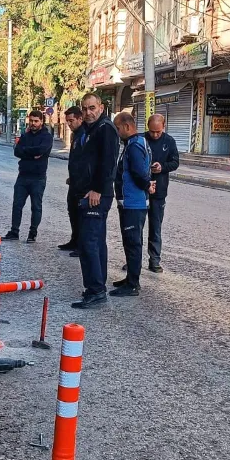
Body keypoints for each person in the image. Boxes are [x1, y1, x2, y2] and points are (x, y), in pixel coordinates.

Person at [72, 93, 120, 309]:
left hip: (96, 195)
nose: (88, 112)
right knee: (96, 241)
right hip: (87, 192)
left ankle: (96, 291)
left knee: (89, 242)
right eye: (85, 108)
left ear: (101, 107)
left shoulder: (105, 129)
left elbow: (108, 163)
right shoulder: (91, 130)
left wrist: (97, 190)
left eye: (92, 108)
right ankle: (97, 287)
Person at [110, 113, 152, 298]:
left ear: (127, 126)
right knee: (129, 242)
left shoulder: (134, 146)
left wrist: (147, 186)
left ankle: (133, 284)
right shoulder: (135, 143)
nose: (118, 133)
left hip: (134, 203)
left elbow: (138, 172)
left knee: (133, 243)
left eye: (118, 129)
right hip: (130, 201)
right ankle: (130, 278)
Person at [3, 110, 53, 243]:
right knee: (17, 205)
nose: (33, 123)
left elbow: (41, 150)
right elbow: (17, 151)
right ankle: (14, 232)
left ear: (41, 121)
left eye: (36, 121)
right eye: (31, 121)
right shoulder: (25, 135)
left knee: (36, 206)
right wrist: (32, 153)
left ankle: (32, 233)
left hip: (38, 177)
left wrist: (26, 152)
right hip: (23, 176)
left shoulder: (47, 137)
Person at [145, 114, 179, 272]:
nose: (155, 135)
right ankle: (133, 259)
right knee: (135, 227)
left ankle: (154, 260)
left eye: (158, 132)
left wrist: (162, 167)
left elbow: (175, 162)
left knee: (155, 227)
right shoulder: (140, 139)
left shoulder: (169, 141)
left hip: (159, 191)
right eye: (152, 131)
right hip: (140, 189)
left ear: (164, 127)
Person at [59, 106, 89, 256]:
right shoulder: (76, 135)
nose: (69, 124)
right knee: (72, 211)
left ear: (80, 119)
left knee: (80, 214)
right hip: (74, 182)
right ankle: (74, 240)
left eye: (72, 120)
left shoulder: (84, 134)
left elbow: (85, 161)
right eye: (68, 121)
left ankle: (81, 245)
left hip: (82, 184)